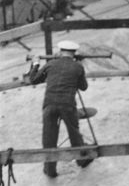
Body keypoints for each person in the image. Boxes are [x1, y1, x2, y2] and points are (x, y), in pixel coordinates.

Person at [28, 39, 93, 177]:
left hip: (49, 105)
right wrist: (80, 66)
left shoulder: (51, 64)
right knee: (74, 133)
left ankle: (50, 169)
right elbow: (84, 87)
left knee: (49, 137)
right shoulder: (77, 67)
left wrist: (35, 63)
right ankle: (81, 161)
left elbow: (33, 79)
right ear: (74, 53)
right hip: (67, 105)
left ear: (60, 51)